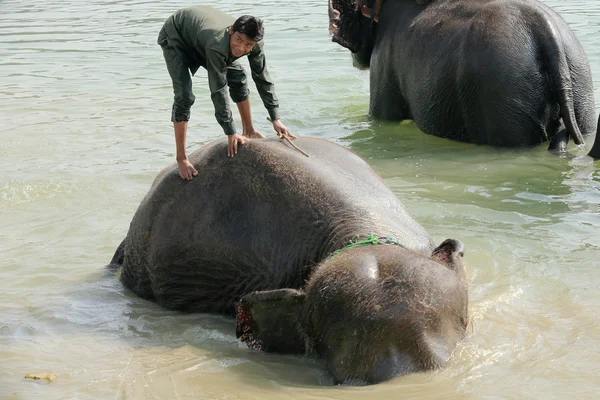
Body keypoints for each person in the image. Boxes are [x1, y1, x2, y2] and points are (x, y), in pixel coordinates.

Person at [157, 5, 296, 180]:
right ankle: (181, 158)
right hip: (178, 36)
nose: (241, 48)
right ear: (231, 31)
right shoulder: (218, 45)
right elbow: (218, 90)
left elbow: (263, 78)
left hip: (203, 37)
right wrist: (230, 131)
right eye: (238, 40)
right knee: (184, 96)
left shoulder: (255, 44)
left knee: (238, 77)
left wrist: (275, 118)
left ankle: (249, 130)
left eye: (248, 45)